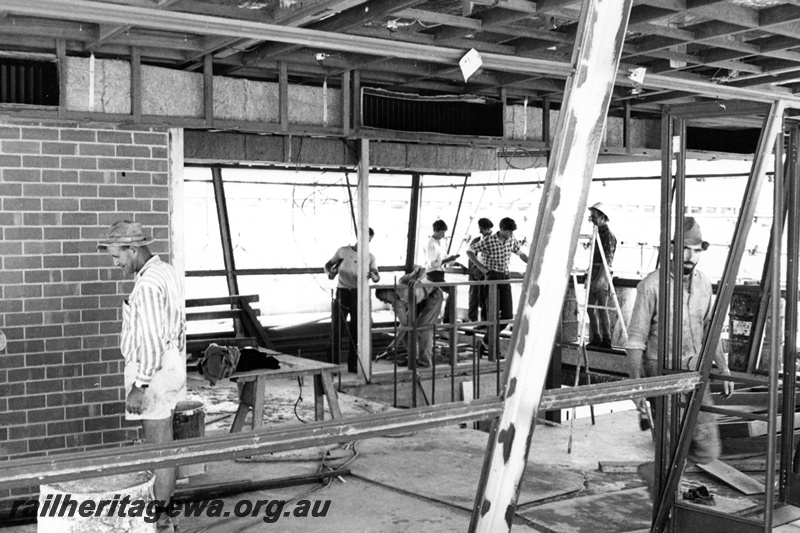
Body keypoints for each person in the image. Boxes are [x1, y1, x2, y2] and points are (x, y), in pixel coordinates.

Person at [626, 217, 734, 498]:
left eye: (697, 250)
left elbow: (710, 328)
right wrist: (636, 384)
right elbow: (636, 338)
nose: (691, 256)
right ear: (673, 248)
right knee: (670, 443)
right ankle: (667, 505)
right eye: (686, 249)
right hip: (661, 374)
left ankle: (657, 474)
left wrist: (723, 367)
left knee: (708, 447)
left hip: (695, 372)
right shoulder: (651, 285)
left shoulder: (704, 283)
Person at [97, 221, 185, 533]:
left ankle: (161, 520)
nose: (115, 263)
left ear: (133, 249)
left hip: (154, 374)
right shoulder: (165, 271)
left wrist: (140, 386)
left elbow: (150, 342)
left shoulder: (147, 285)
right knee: (166, 442)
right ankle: (166, 513)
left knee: (158, 445)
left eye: (117, 256)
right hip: (172, 365)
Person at [466, 217, 529, 355]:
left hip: (505, 277)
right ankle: (492, 350)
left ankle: (485, 342)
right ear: (502, 229)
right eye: (509, 231)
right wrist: (482, 269)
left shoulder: (512, 240)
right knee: (493, 315)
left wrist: (530, 263)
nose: (511, 234)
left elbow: (521, 254)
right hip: (492, 277)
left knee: (506, 315)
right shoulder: (489, 241)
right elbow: (469, 251)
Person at [325, 228, 380, 373]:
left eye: (369, 239)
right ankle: (332, 366)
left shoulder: (370, 257)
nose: (366, 241)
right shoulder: (343, 251)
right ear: (358, 236)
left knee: (356, 331)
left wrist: (374, 277)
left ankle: (353, 364)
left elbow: (376, 274)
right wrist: (329, 273)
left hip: (359, 294)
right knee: (337, 329)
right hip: (343, 293)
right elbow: (328, 265)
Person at [375, 266, 443, 368]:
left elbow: (422, 269)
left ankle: (425, 362)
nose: (385, 302)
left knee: (423, 327)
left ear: (388, 291)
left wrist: (418, 282)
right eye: (382, 301)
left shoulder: (403, 281)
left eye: (384, 298)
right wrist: (394, 345)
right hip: (416, 303)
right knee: (407, 331)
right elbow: (404, 325)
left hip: (433, 295)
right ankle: (413, 358)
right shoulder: (397, 305)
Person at [587, 202, 617, 349]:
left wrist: (599, 279)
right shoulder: (596, 232)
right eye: (591, 217)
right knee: (590, 308)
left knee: (602, 308)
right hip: (593, 271)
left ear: (603, 217)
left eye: (594, 217)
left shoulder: (608, 236)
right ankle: (596, 337)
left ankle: (606, 339)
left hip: (602, 274)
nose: (592, 219)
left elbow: (607, 260)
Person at [425, 220, 460, 323]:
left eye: (444, 232)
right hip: (432, 274)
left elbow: (444, 257)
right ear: (435, 230)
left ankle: (447, 318)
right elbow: (432, 263)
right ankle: (448, 319)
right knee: (451, 291)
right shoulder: (430, 244)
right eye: (442, 232)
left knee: (449, 292)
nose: (443, 235)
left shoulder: (441, 242)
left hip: (440, 274)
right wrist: (448, 260)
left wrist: (453, 261)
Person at [468, 218, 494, 323]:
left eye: (482, 229)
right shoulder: (476, 240)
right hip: (475, 273)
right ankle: (472, 320)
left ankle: (484, 321)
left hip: (487, 273)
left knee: (485, 299)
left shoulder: (493, 241)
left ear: (488, 229)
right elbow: (470, 256)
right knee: (473, 297)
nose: (480, 231)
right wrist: (473, 270)